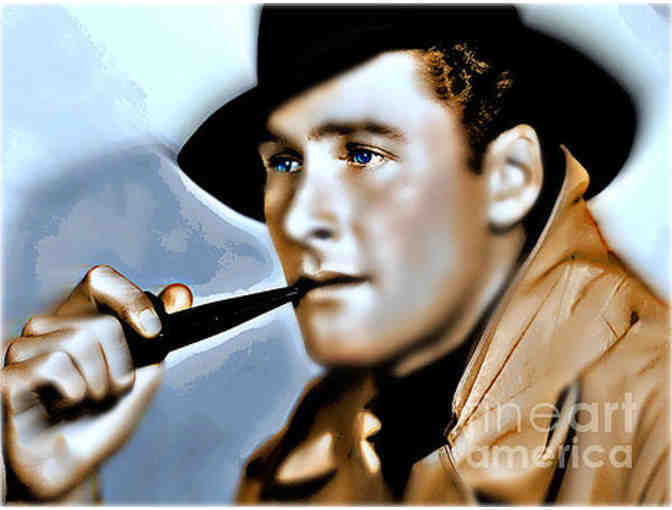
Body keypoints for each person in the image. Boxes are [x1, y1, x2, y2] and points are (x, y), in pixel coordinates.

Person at [2, 5, 669, 504]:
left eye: (362, 154)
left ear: (509, 178)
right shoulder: (314, 450)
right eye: (285, 162)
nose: (299, 216)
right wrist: (55, 491)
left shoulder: (654, 423)